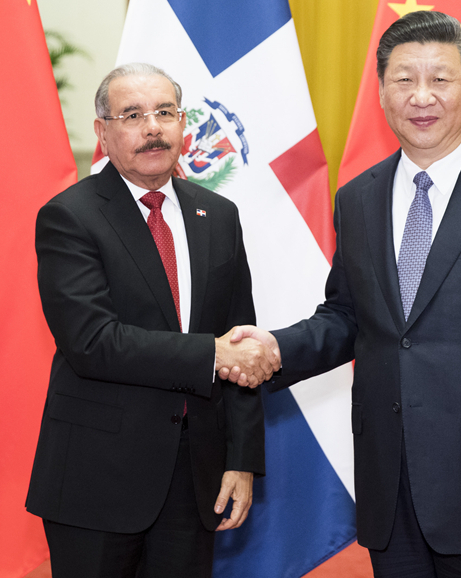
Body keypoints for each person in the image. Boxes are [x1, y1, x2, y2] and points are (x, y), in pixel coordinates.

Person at [225, 11, 461, 577]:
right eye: (404, 80)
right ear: (381, 92)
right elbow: (350, 316)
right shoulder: (359, 197)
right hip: (392, 485)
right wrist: (276, 348)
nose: (421, 97)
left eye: (440, 79)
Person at [26, 63, 278, 578]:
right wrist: (211, 354)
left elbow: (240, 340)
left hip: (195, 475)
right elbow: (92, 342)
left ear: (183, 124)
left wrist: (242, 459)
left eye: (165, 112)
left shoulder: (218, 215)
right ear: (102, 133)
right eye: (133, 115)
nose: (153, 128)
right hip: (97, 475)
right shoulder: (70, 217)